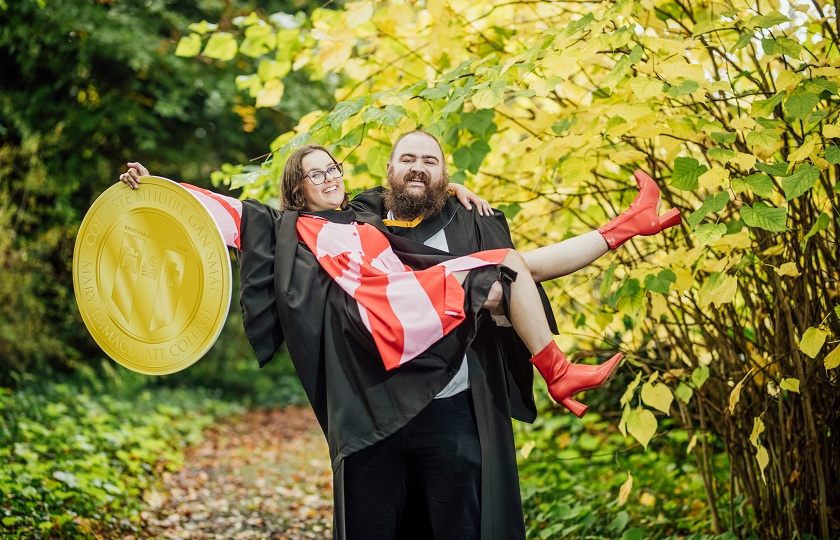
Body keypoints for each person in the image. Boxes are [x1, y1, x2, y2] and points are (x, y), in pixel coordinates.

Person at [118, 145, 630, 540]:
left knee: (514, 265)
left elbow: (413, 188)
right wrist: (155, 187)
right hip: (379, 316)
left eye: (332, 167)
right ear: (297, 188)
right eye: (315, 173)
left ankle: (621, 232)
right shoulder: (285, 228)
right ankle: (559, 368)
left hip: (406, 302)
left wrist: (455, 188)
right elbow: (220, 212)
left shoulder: (365, 210)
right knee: (508, 268)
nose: (330, 177)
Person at [346, 130, 681, 539]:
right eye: (409, 160)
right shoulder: (358, 217)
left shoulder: (470, 219)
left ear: (445, 171)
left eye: (430, 162)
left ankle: (624, 229)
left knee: (513, 266)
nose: (418, 168)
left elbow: (515, 295)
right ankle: (623, 230)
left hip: (451, 406)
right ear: (389, 169)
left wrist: (449, 195)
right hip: (376, 407)